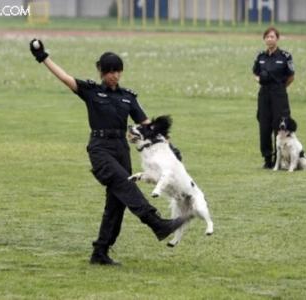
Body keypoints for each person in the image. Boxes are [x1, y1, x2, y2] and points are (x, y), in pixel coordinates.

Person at [29, 39, 188, 266]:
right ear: (101, 72)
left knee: (116, 203)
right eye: (109, 71)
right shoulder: (92, 92)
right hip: (100, 149)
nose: (113, 75)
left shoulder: (128, 97)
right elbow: (65, 78)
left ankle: (100, 252)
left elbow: (148, 125)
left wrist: (169, 148)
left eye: (117, 70)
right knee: (126, 185)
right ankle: (157, 223)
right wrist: (43, 57)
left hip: (121, 150)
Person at [252, 27, 295, 169]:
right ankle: (267, 159)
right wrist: (259, 80)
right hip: (264, 95)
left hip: (279, 95)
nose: (270, 39)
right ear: (264, 39)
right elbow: (255, 73)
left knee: (280, 126)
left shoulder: (285, 56)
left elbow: (291, 77)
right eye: (267, 37)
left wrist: (280, 88)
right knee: (264, 126)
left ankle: (281, 159)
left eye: (272, 36)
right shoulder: (260, 57)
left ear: (277, 39)